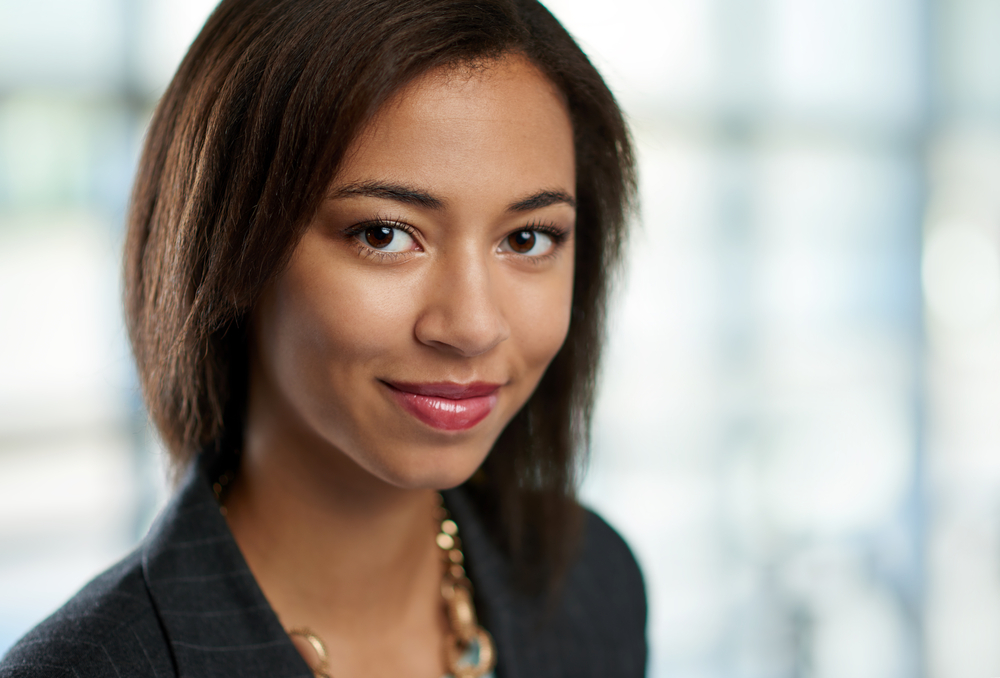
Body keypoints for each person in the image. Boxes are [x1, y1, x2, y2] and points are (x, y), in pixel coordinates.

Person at [0, 0, 645, 676]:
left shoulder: (593, 584)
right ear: (230, 249)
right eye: (384, 235)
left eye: (526, 238)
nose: (473, 326)